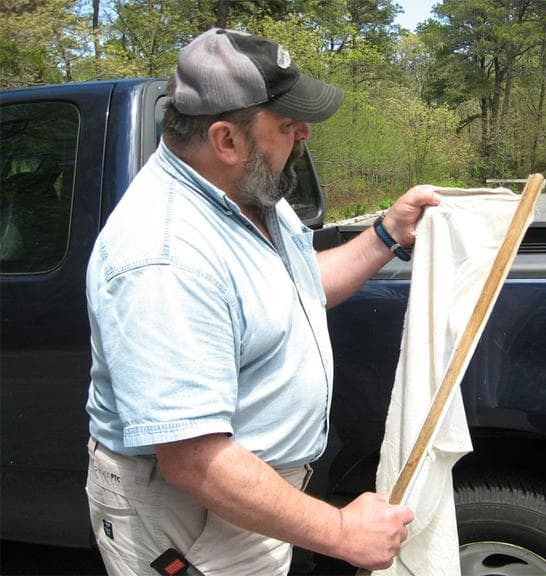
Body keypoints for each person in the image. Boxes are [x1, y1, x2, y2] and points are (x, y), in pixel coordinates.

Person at [84, 27, 441, 576]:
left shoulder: (248, 193)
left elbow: (295, 290)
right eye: (285, 124)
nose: (304, 134)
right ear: (226, 139)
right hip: (194, 519)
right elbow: (195, 461)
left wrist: (386, 235)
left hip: (250, 502)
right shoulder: (164, 256)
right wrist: (341, 532)